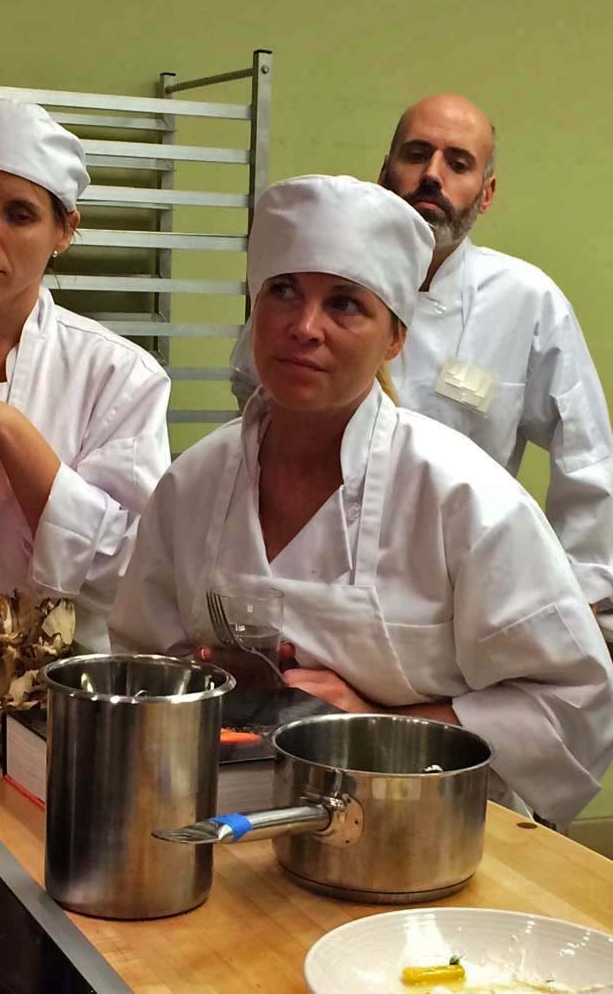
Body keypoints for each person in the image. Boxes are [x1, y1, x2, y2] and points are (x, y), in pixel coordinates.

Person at [111, 174, 613, 829]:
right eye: (283, 290)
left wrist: (376, 726)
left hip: (428, 838)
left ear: (395, 338)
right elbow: (140, 662)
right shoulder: (194, 484)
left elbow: (575, 704)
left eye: (345, 303)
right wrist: (215, 684)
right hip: (227, 826)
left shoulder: (463, 496)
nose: (304, 327)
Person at [229, 94, 613, 610]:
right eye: (416, 155)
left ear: (487, 192)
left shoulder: (527, 300)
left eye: (458, 164)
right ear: (384, 171)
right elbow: (257, 417)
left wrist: (580, 597)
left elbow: (587, 457)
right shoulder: (309, 289)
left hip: (460, 588)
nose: (432, 175)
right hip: (310, 577)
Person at [0, 99, 171, 649]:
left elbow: (132, 566)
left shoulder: (118, 375)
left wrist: (8, 428)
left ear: (64, 232)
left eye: (19, 214)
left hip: (58, 688)